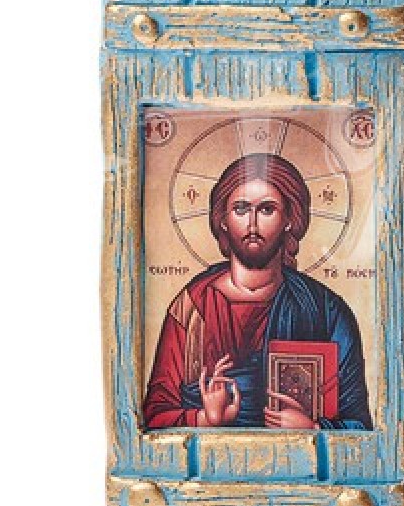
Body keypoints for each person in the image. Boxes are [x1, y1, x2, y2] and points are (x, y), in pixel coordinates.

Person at [143, 153, 372, 430]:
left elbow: (360, 427)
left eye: (266, 209)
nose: (252, 224)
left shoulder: (326, 311)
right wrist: (205, 419)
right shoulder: (192, 308)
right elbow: (154, 417)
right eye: (241, 209)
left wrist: (313, 429)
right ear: (223, 220)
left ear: (289, 219)